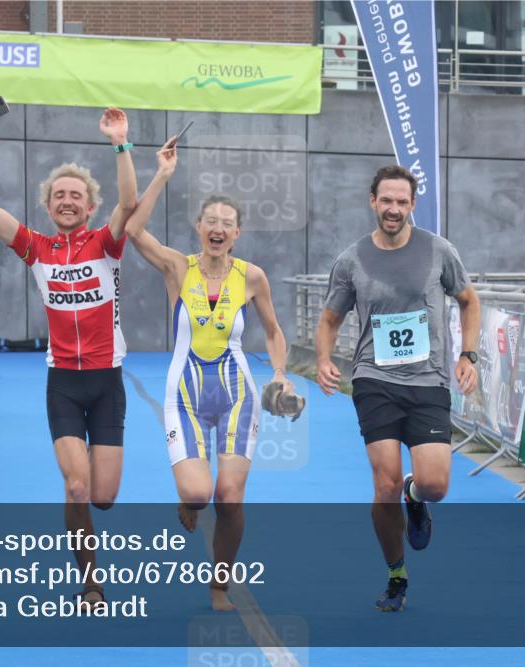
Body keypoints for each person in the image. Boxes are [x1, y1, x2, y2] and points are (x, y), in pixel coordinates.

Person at [0, 105, 138, 607]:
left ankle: (91, 494)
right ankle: (90, 581)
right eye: (59, 195)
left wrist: (120, 143)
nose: (67, 201)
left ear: (89, 206)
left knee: (104, 497)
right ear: (48, 205)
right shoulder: (36, 247)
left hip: (107, 382)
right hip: (63, 382)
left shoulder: (107, 243)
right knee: (76, 488)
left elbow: (129, 202)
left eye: (76, 195)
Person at [123, 139, 297, 612]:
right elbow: (133, 230)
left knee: (230, 496)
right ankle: (188, 500)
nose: (218, 230)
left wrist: (280, 373)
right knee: (199, 494)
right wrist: (162, 173)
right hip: (184, 394)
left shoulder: (251, 276)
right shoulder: (177, 266)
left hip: (237, 393)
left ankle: (220, 583)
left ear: (237, 233)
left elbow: (275, 331)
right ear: (198, 228)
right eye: (211, 223)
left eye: (227, 224)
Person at [314, 165, 480, 613]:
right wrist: (325, 359)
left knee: (435, 485)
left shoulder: (438, 251)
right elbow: (330, 318)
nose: (393, 209)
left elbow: (468, 301)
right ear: (373, 202)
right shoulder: (351, 260)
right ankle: (396, 574)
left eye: (401, 202)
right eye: (386, 200)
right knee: (383, 482)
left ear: (412, 205)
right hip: (374, 379)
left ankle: (415, 496)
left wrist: (469, 354)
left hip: (428, 381)